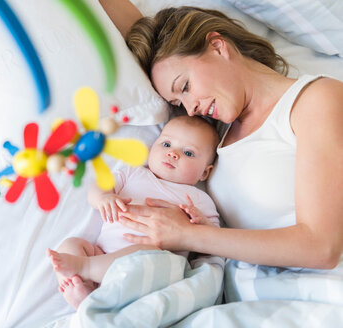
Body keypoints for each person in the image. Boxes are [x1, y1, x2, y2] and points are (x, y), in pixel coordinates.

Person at [97, 1, 343, 270]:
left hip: (316, 288)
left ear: (217, 46)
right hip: (246, 292)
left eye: (186, 86)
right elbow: (142, 33)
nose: (189, 107)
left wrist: (189, 235)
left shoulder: (316, 100)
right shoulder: (211, 133)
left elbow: (322, 247)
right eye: (179, 102)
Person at [47, 115, 220, 309]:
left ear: (204, 173)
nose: (173, 153)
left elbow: (214, 239)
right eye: (166, 144)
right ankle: (84, 291)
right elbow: (99, 187)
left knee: (148, 251)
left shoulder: (198, 198)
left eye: (188, 153)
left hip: (151, 266)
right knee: (71, 245)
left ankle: (84, 269)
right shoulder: (133, 174)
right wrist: (103, 198)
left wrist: (200, 222)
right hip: (102, 254)